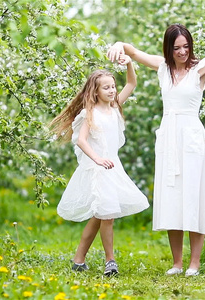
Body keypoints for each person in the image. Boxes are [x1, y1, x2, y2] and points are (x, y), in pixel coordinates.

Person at [107, 24, 205, 277]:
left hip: (193, 138)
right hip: (169, 138)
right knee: (172, 197)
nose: (182, 52)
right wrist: (119, 46)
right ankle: (177, 263)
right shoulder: (163, 68)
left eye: (186, 46)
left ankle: (194, 263)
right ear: (169, 48)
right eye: (177, 48)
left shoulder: (201, 68)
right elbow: (133, 51)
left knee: (194, 196)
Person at [49, 55, 149, 276]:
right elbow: (82, 140)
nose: (112, 90)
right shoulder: (89, 113)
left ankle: (78, 259)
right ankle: (110, 261)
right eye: (106, 88)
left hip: (112, 167)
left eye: (113, 86)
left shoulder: (114, 107)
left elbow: (131, 83)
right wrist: (97, 159)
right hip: (98, 169)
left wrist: (129, 63)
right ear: (95, 92)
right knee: (107, 215)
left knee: (101, 216)